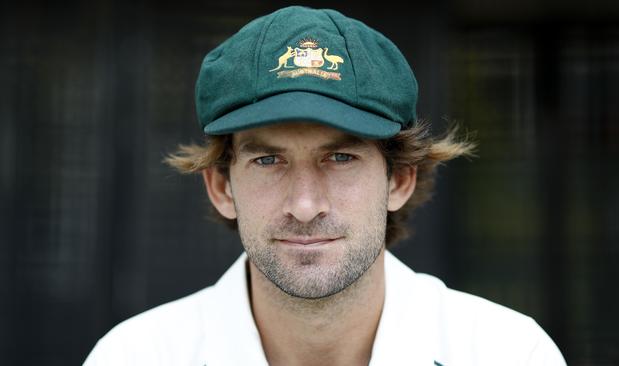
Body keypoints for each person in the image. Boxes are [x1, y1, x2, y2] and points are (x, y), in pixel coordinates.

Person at [84, 6, 566, 365]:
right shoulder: (135, 356)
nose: (305, 203)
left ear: (399, 178)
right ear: (221, 187)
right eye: (269, 159)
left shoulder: (505, 352)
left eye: (340, 157)